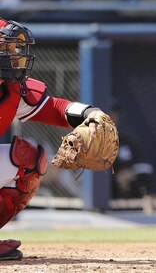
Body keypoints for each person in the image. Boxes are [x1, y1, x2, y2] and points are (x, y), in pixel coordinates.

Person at [0, 18, 113, 261]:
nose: (14, 55)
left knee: (29, 159)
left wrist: (90, 114)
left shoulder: (9, 89)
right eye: (6, 49)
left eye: (14, 48)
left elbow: (53, 108)